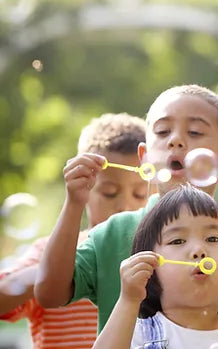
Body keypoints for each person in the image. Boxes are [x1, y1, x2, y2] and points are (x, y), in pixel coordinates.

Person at [34, 84, 218, 349]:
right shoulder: (115, 232)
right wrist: (74, 204)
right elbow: (49, 293)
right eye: (162, 131)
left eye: (194, 132)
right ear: (144, 156)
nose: (176, 140)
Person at [0, 112, 149, 349]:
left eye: (140, 194)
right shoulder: (55, 251)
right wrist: (60, 268)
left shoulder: (158, 257)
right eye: (109, 192)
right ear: (84, 188)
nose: (124, 206)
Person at [93, 184, 218, 348]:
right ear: (151, 265)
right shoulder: (132, 337)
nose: (199, 250)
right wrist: (129, 300)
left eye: (213, 238)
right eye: (177, 241)